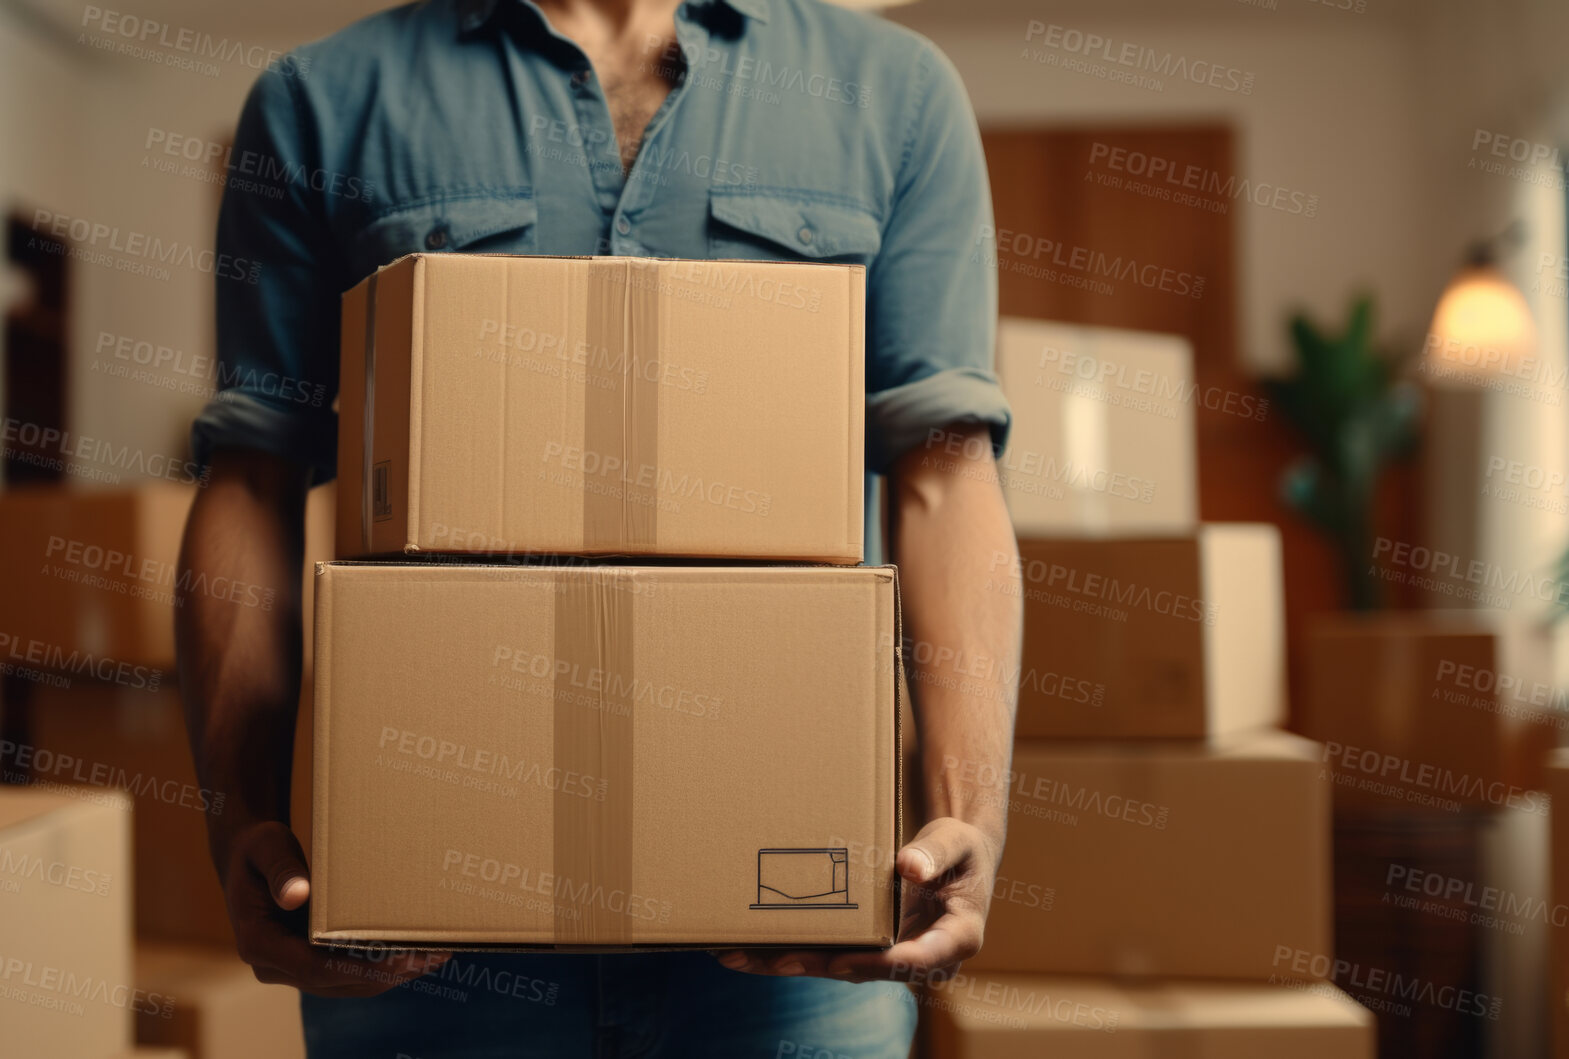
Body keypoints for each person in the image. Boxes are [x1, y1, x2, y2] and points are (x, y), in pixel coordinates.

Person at [176, 0, 1021, 1053]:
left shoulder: (891, 92)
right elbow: (252, 472)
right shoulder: (322, 102)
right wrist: (240, 823)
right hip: (427, 935)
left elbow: (945, 467)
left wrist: (967, 821)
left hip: (788, 943)